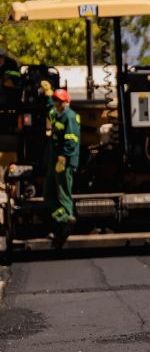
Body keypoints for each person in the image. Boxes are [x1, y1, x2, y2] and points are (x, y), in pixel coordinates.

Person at [40, 81, 80, 248]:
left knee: (63, 193)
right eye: (56, 100)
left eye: (60, 100)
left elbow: (71, 140)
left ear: (67, 102)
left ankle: (67, 219)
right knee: (48, 195)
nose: (57, 103)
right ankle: (62, 218)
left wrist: (63, 159)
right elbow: (49, 109)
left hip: (64, 162)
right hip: (54, 162)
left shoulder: (70, 116)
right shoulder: (55, 114)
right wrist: (48, 94)